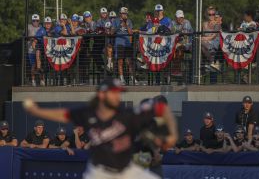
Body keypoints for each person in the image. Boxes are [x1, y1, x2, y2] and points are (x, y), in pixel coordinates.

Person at [22, 77, 178, 179]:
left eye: (119, 93)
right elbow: (63, 114)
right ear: (102, 95)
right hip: (99, 173)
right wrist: (36, 111)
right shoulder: (87, 114)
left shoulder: (128, 115)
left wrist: (173, 134)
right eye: (114, 93)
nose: (118, 96)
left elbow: (162, 108)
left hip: (127, 171)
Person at [112, 7, 137, 85]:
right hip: (119, 43)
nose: (124, 15)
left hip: (127, 43)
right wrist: (120, 25)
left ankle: (132, 77)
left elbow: (130, 33)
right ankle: (121, 78)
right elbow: (112, 32)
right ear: (120, 14)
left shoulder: (129, 21)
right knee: (120, 61)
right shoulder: (115, 21)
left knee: (129, 61)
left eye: (126, 14)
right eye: (123, 13)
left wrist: (126, 24)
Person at [34, 16, 54, 86]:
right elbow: (35, 40)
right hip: (42, 49)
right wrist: (34, 45)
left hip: (50, 51)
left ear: (51, 24)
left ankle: (51, 80)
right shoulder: (41, 30)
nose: (47, 25)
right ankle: (42, 80)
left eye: (49, 23)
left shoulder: (53, 30)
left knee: (50, 66)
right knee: (41, 66)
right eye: (46, 23)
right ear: (44, 24)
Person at [27, 14, 41, 86]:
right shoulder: (28, 27)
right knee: (33, 65)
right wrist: (31, 38)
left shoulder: (41, 28)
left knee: (40, 65)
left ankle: (42, 80)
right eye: (34, 21)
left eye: (37, 21)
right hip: (31, 50)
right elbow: (24, 36)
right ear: (32, 21)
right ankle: (33, 80)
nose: (35, 22)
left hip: (40, 50)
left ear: (39, 21)